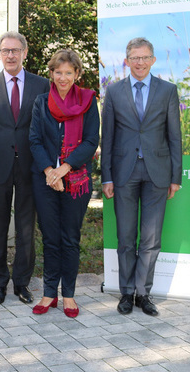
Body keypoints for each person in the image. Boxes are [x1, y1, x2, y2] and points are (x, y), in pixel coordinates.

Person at [101, 37, 182, 317]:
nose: (140, 62)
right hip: (124, 174)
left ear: (153, 60)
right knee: (125, 238)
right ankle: (126, 293)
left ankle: (143, 293)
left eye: (145, 57)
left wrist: (175, 177)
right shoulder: (113, 92)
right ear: (127, 61)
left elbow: (174, 135)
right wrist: (106, 177)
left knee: (150, 239)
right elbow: (107, 137)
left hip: (157, 174)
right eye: (135, 58)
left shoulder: (168, 91)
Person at [0, 31, 50, 305]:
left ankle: (22, 283)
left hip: (31, 166)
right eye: (5, 50)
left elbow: (47, 129)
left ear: (25, 53)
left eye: (16, 50)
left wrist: (48, 167)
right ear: (0, 54)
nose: (10, 55)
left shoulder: (42, 85)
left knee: (27, 227)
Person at [29, 49, 99, 318]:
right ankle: (49, 294)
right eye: (58, 72)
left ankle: (68, 295)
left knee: (70, 239)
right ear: (51, 73)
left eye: (68, 72)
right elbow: (34, 140)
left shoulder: (88, 101)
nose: (63, 77)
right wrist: (50, 171)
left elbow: (92, 141)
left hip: (77, 180)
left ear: (77, 74)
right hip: (45, 179)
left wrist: (64, 169)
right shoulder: (41, 102)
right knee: (50, 238)